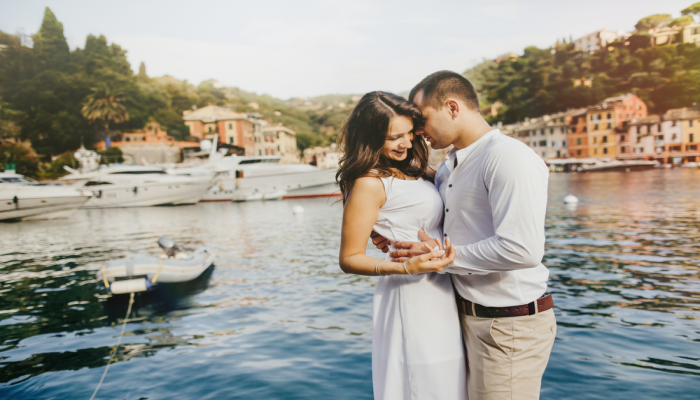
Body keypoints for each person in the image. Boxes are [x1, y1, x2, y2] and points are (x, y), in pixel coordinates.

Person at [373, 71, 556, 400]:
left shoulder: (508, 158)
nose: (417, 132)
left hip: (507, 326)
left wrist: (442, 259)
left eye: (422, 119)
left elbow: (523, 250)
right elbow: (448, 227)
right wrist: (388, 230)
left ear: (452, 108)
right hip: (464, 318)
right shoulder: (448, 167)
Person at [337, 91, 468, 400]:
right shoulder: (369, 184)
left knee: (448, 385)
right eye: (394, 137)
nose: (407, 143)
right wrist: (406, 266)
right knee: (423, 385)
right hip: (409, 297)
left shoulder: (415, 170)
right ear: (369, 138)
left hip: (443, 294)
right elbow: (349, 258)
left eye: (410, 133)